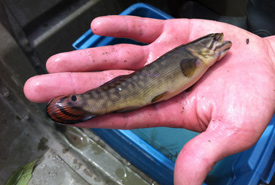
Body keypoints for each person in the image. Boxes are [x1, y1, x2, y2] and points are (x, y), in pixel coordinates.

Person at [23, 16, 275, 185]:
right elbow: (188, 72)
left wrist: (269, 56)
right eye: (212, 42)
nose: (217, 42)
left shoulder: (199, 59)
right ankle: (83, 106)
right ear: (196, 52)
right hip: (140, 91)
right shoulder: (193, 61)